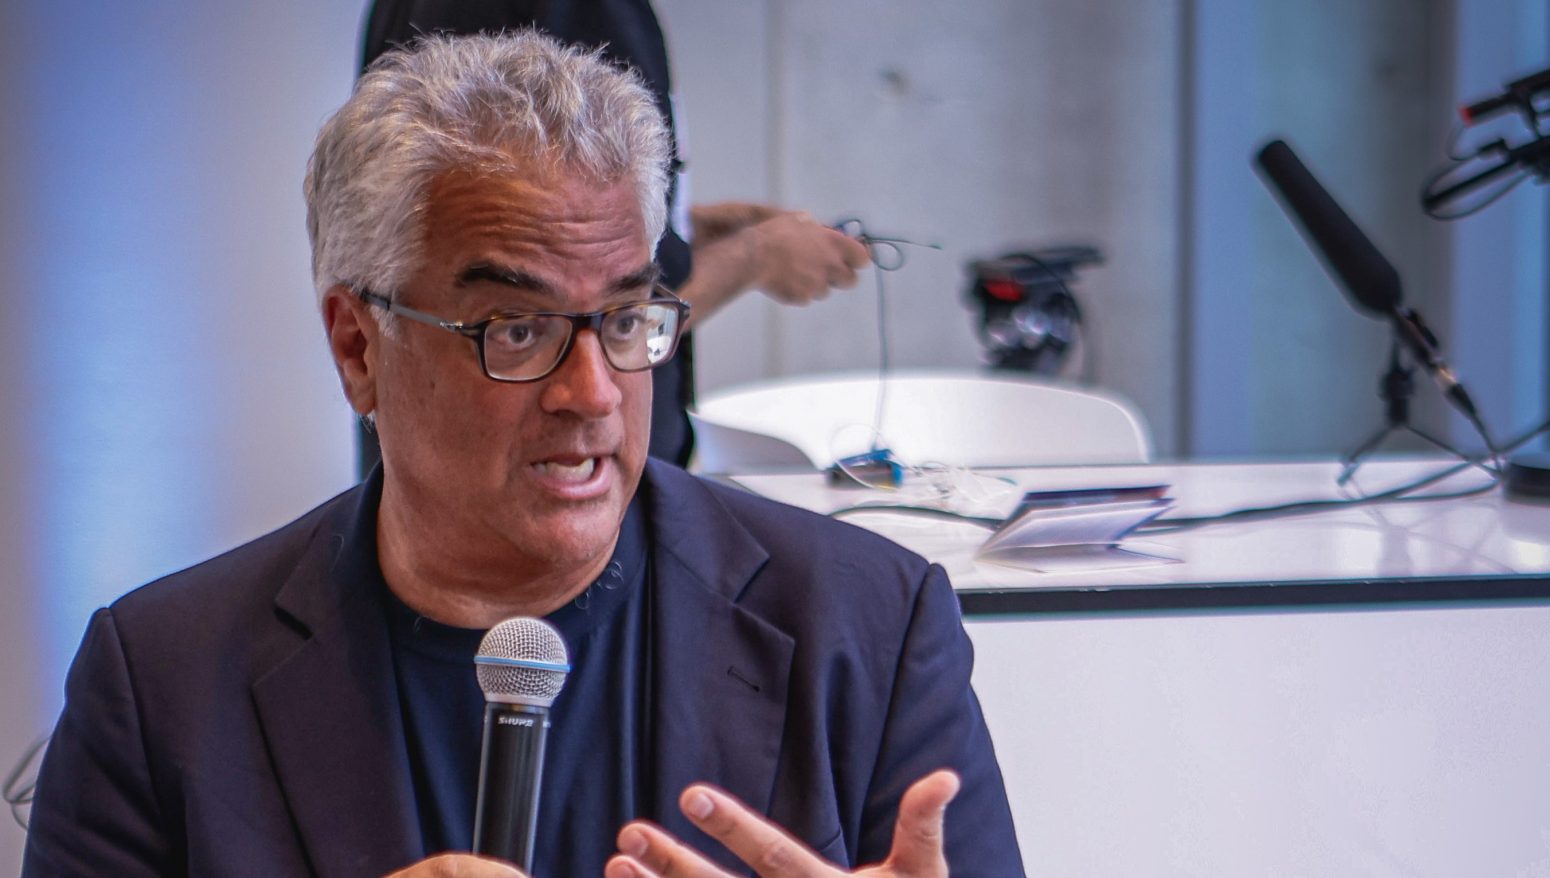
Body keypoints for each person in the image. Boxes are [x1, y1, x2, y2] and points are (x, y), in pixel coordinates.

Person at [21, 32, 1022, 877]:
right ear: (359, 347)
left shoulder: (867, 627)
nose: (593, 392)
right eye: (515, 328)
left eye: (625, 318)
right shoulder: (163, 682)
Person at [360, 0, 872, 469]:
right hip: (539, 476)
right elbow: (560, 288)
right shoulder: (578, 8)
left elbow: (508, 223)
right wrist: (757, 256)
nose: (597, 394)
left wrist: (686, 227)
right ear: (353, 343)